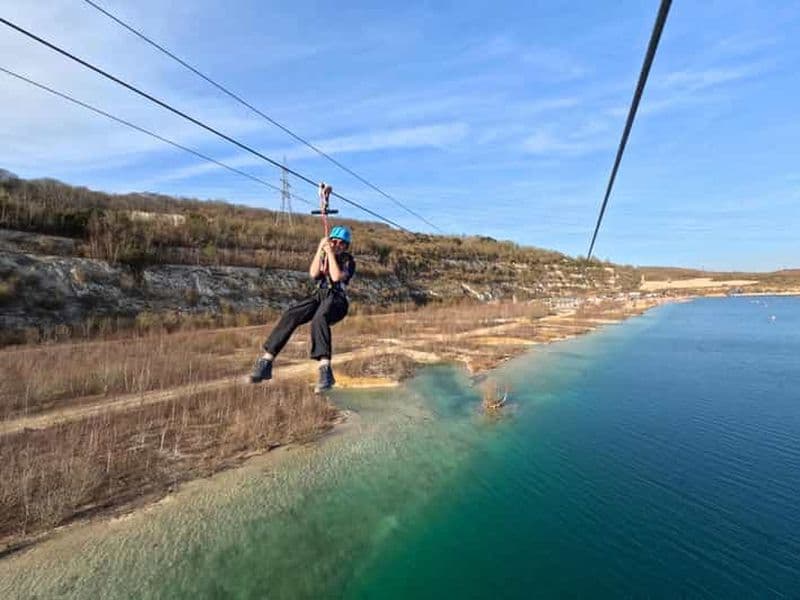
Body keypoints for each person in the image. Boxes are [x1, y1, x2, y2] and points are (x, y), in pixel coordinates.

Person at [251, 225, 355, 392]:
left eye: (341, 243)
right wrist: (320, 249)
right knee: (291, 314)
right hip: (319, 295)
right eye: (334, 241)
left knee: (319, 319)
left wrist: (330, 253)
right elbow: (313, 273)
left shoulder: (347, 260)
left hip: (337, 299)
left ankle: (325, 370)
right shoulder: (324, 255)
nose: (337, 245)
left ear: (345, 246)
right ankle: (266, 361)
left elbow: (336, 277)